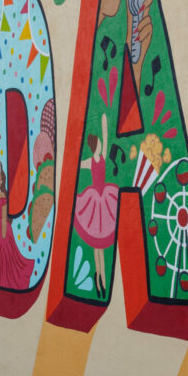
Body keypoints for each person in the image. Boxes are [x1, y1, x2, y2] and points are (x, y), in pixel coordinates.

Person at [74, 113, 120, 296]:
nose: (101, 144)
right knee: (96, 246)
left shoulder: (101, 157)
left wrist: (104, 123)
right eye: (99, 143)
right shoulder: (91, 161)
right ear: (95, 146)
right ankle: (99, 278)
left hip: (104, 200)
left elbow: (107, 138)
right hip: (94, 201)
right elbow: (76, 164)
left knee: (100, 244)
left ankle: (102, 280)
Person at [0, 162, 35, 290]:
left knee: (5, 248)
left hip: (3, 227)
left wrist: (3, 233)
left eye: (1, 178)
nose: (0, 181)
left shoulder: (3, 195)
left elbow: (4, 215)